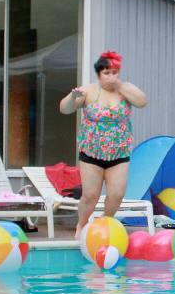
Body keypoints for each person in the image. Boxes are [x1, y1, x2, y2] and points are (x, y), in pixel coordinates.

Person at [60, 50, 147, 237]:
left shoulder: (125, 89)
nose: (111, 77)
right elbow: (65, 109)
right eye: (106, 73)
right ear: (99, 75)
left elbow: (142, 102)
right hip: (92, 153)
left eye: (114, 72)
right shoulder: (89, 91)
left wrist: (121, 86)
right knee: (90, 196)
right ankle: (81, 224)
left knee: (116, 195)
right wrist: (72, 97)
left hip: (118, 153)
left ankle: (104, 223)